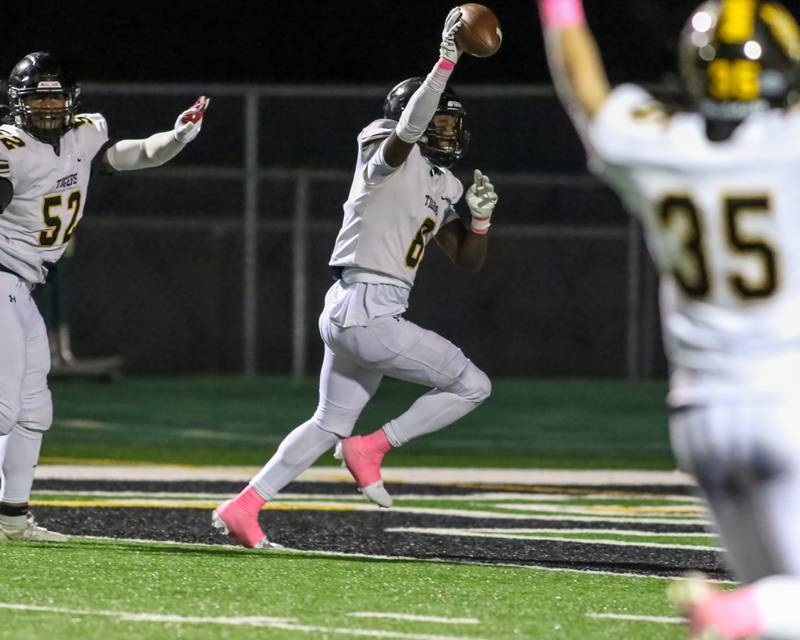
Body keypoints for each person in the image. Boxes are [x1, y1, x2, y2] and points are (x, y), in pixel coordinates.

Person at [538, 0, 800, 637]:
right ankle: (735, 613)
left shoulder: (661, 145)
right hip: (786, 400)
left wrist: (561, 8)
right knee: (772, 604)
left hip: (701, 416)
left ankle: (746, 612)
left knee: (780, 596)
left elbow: (588, 96)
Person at [213, 8, 498, 549]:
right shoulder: (386, 145)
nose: (444, 128)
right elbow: (409, 130)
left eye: (450, 123)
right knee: (472, 385)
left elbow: (466, 259)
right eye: (437, 118)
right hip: (367, 306)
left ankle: (244, 506)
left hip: (355, 308)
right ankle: (374, 449)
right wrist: (447, 59)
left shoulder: (447, 185)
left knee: (327, 423)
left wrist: (481, 220)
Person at [0, 52, 209, 541]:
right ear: (17, 102)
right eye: (39, 96)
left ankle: (10, 520)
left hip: (22, 284)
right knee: (5, 408)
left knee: (34, 410)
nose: (49, 106)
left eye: (56, 96)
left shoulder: (83, 135)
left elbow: (133, 155)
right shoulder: (9, 145)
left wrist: (176, 136)